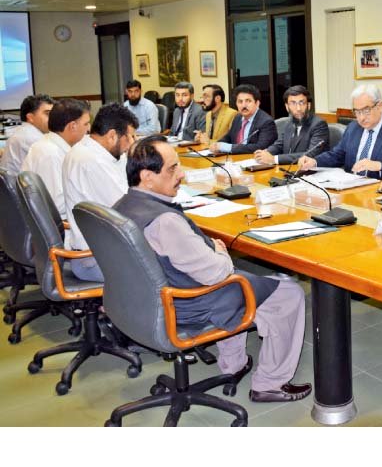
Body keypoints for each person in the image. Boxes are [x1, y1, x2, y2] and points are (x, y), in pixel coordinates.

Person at [114, 136, 311, 403]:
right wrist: (218, 252)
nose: (181, 174)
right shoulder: (165, 222)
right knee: (288, 293)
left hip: (142, 302)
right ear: (147, 177)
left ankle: (234, 365)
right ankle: (270, 384)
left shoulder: (122, 205)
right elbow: (217, 273)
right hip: (187, 306)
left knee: (242, 279)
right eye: (172, 169)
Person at [63, 103, 139, 282]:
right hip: (95, 260)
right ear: (112, 136)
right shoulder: (91, 162)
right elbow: (130, 209)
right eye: (130, 137)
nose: (133, 143)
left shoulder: (91, 150)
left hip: (98, 249)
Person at [297, 84, 382, 179]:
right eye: (357, 111)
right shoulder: (353, 127)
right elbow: (337, 155)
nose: (361, 117)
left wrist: (379, 165)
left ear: (380, 106)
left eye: (366, 110)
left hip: (379, 191)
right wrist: (315, 161)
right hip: (350, 190)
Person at [21, 98, 90, 219]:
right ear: (72, 126)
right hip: (58, 225)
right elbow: (58, 205)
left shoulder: (50, 144)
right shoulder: (50, 154)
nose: (88, 129)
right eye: (86, 124)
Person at [254, 85, 329, 166]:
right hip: (289, 170)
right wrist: (265, 153)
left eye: (302, 103)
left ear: (309, 105)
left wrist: (274, 159)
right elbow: (279, 145)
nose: (298, 108)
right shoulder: (289, 123)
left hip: (310, 172)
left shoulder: (319, 125)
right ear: (287, 107)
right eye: (293, 103)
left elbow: (310, 154)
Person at [209, 84, 277, 155]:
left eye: (248, 101)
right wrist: (217, 144)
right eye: (240, 101)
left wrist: (229, 148)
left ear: (257, 103)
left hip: (253, 160)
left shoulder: (266, 122)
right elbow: (229, 136)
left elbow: (261, 147)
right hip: (235, 159)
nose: (244, 105)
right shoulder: (238, 117)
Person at [0, 94, 54, 176]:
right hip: (21, 187)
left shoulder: (25, 130)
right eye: (48, 114)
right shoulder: (31, 137)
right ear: (30, 117)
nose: (53, 118)